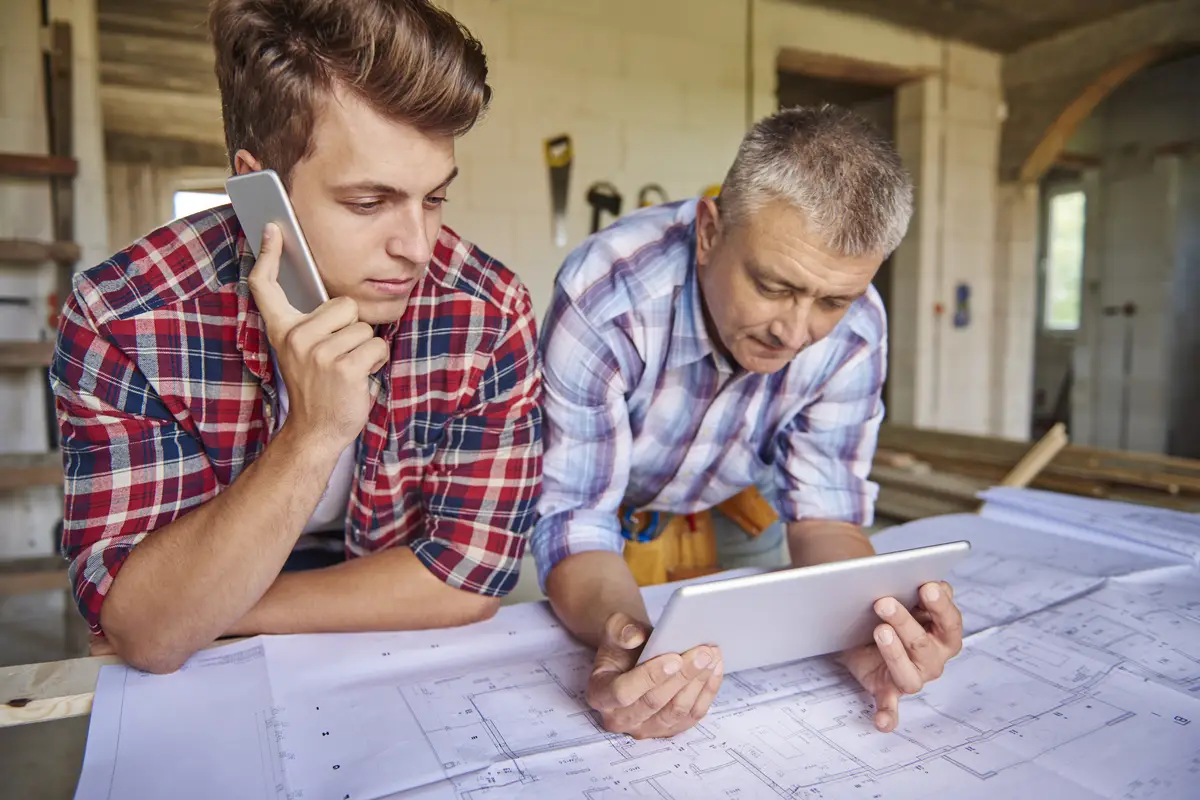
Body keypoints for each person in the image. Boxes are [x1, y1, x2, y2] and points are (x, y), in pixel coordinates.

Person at [49, 0, 541, 674]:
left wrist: (216, 610)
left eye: (434, 198)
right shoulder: (125, 317)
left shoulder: (489, 311)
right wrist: (313, 432)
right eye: (368, 203)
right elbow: (147, 635)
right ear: (260, 191)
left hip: (351, 634)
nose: (417, 246)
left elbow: (469, 579)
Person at [533, 105, 963, 739]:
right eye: (772, 284)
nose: (794, 332)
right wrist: (625, 648)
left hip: (737, 499)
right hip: (612, 506)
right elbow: (576, 522)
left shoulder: (858, 330)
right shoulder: (609, 294)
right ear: (709, 232)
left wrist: (865, 633)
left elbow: (824, 516)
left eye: (832, 301)